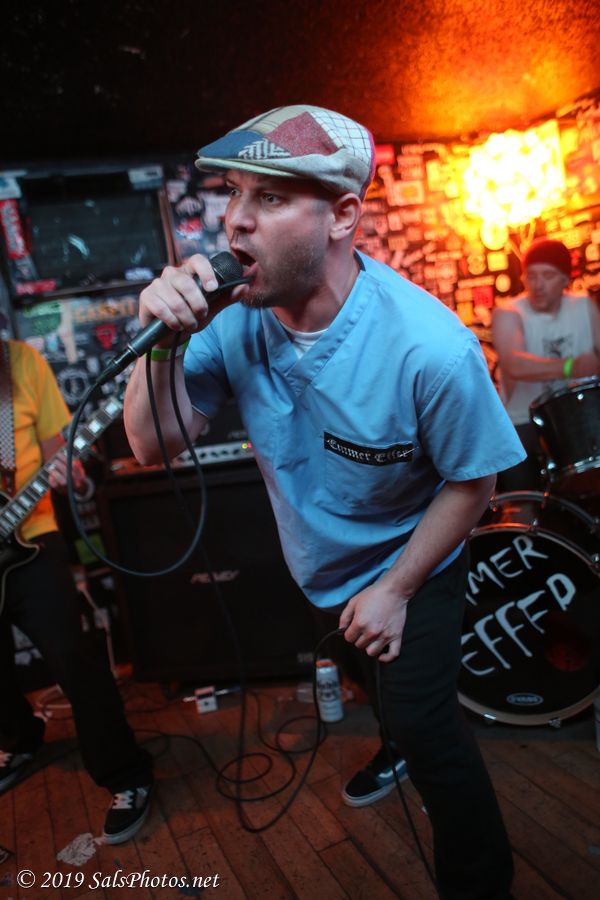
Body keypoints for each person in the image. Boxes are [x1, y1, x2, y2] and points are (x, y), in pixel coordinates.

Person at [123, 105, 525, 899]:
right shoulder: (235, 319)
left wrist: (396, 589)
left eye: (270, 198)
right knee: (378, 694)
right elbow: (150, 444)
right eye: (235, 194)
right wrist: (159, 343)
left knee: (431, 733)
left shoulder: (430, 348)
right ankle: (395, 734)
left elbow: (474, 482)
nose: (235, 220)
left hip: (413, 562)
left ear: (342, 215)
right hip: (319, 563)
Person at [0, 338, 153, 844]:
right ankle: (19, 740)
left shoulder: (19, 363)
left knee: (73, 658)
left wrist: (73, 476)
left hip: (31, 540)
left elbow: (57, 455)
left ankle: (126, 774)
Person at [492, 238, 600, 491]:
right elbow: (514, 364)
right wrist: (570, 367)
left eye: (548, 275)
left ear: (565, 279)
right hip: (524, 422)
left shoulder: (583, 305)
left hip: (577, 416)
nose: (538, 284)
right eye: (531, 276)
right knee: (524, 500)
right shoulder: (509, 312)